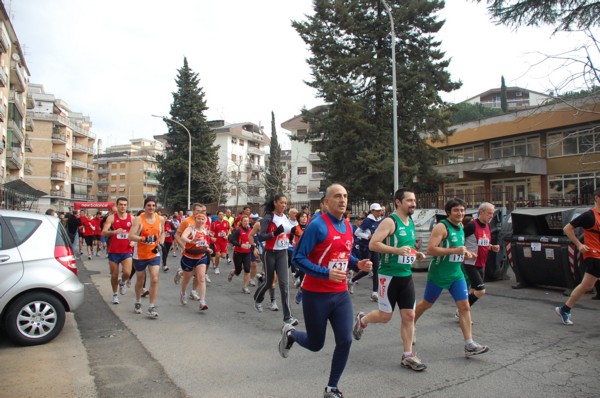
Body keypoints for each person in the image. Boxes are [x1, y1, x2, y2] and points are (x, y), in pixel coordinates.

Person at [279, 183, 373, 398]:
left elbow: (343, 255)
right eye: (337, 196)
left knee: (346, 340)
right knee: (315, 344)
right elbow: (298, 258)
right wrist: (325, 273)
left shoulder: (347, 226)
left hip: (340, 294)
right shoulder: (317, 226)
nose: (342, 200)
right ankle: (290, 333)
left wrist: (357, 264)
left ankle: (332, 388)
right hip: (316, 294)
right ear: (326, 202)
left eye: (345, 196)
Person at [351, 188, 427, 371]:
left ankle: (408, 355)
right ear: (398, 202)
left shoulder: (409, 222)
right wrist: (396, 251)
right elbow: (373, 244)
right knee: (386, 316)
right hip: (388, 276)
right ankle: (363, 320)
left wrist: (416, 255)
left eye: (414, 200)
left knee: (409, 315)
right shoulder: (390, 221)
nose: (413, 203)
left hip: (406, 275)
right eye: (409, 200)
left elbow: (406, 249)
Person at [414, 197, 489, 357]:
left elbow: (458, 248)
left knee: (464, 306)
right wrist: (454, 251)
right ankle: (410, 324)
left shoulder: (461, 226)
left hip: (456, 274)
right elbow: (431, 250)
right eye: (456, 210)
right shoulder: (442, 227)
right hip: (439, 274)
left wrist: (466, 253)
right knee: (426, 304)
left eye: (462, 210)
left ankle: (469, 344)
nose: (460, 213)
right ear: (449, 212)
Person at [250, 193, 298, 326]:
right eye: (281, 202)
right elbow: (260, 237)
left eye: (285, 203)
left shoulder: (285, 218)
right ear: (275, 203)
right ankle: (258, 298)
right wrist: (274, 233)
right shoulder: (268, 218)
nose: (284, 205)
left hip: (282, 253)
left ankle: (288, 317)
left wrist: (292, 236)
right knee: (269, 281)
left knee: (284, 285)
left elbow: (287, 233)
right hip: (269, 253)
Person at [556, 187, 600, 325]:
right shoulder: (589, 215)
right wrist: (579, 245)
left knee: (587, 285)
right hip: (593, 255)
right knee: (586, 285)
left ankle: (565, 308)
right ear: (597, 198)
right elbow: (567, 229)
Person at [455, 202, 500, 321]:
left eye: (493, 214)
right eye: (489, 213)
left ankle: (462, 311)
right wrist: (466, 252)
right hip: (470, 263)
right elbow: (459, 240)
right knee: (481, 291)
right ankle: (461, 311)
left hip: (481, 263)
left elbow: (481, 242)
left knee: (474, 290)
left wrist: (491, 247)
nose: (491, 216)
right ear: (482, 212)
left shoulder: (487, 226)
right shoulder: (472, 225)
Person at [128, 196, 165, 318]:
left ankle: (151, 306)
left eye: (153, 206)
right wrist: (142, 238)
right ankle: (138, 301)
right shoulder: (139, 219)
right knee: (140, 280)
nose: (151, 208)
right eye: (149, 205)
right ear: (145, 207)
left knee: (154, 279)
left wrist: (160, 243)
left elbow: (163, 232)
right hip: (140, 255)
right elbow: (131, 236)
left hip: (154, 253)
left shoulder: (160, 219)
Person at [102, 197, 135, 305]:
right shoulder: (111, 218)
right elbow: (103, 232)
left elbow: (138, 232)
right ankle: (115, 294)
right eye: (121, 204)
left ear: (127, 206)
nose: (123, 206)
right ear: (117, 205)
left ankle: (123, 282)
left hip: (127, 250)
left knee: (127, 272)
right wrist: (114, 232)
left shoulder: (132, 218)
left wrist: (134, 241)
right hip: (114, 250)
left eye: (125, 205)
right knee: (114, 275)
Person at [348, 203, 384, 300]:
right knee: (367, 270)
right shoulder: (368, 221)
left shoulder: (380, 220)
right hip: (366, 247)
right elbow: (357, 232)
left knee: (376, 269)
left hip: (375, 246)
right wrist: (368, 236)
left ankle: (374, 293)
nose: (379, 212)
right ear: (372, 211)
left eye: (380, 210)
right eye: (377, 211)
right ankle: (352, 280)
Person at [179, 213, 212, 310]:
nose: (201, 221)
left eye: (203, 219)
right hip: (188, 257)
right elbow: (183, 237)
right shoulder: (191, 228)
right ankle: (183, 293)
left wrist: (208, 248)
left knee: (201, 278)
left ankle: (202, 302)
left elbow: (205, 242)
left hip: (201, 256)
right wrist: (191, 241)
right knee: (186, 279)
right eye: (199, 219)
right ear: (195, 219)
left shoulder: (205, 230)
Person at [228, 215, 254, 293]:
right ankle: (233, 272)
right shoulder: (238, 230)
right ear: (241, 222)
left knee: (247, 269)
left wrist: (254, 248)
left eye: (247, 221)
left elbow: (253, 241)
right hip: (238, 253)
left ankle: (245, 287)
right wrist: (240, 245)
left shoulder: (251, 230)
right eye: (244, 221)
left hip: (247, 253)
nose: (246, 222)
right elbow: (231, 239)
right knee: (238, 271)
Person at [210, 210, 231, 275]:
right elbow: (211, 232)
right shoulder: (214, 224)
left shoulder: (227, 222)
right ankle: (217, 268)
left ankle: (217, 260)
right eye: (220, 214)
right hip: (217, 241)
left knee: (223, 256)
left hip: (224, 241)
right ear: (217, 215)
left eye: (222, 214)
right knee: (218, 255)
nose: (221, 215)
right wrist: (212, 237)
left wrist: (227, 236)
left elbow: (229, 229)